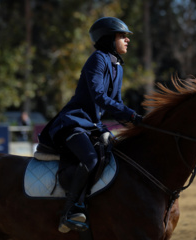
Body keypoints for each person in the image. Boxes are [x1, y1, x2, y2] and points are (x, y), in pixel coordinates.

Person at [37, 17, 143, 233]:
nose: (127, 40)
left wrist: (138, 123)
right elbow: (99, 96)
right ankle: (70, 210)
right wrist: (131, 116)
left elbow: (117, 104)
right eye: (122, 36)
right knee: (91, 158)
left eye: (126, 37)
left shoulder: (117, 67)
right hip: (73, 123)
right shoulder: (98, 59)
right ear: (108, 38)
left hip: (92, 125)